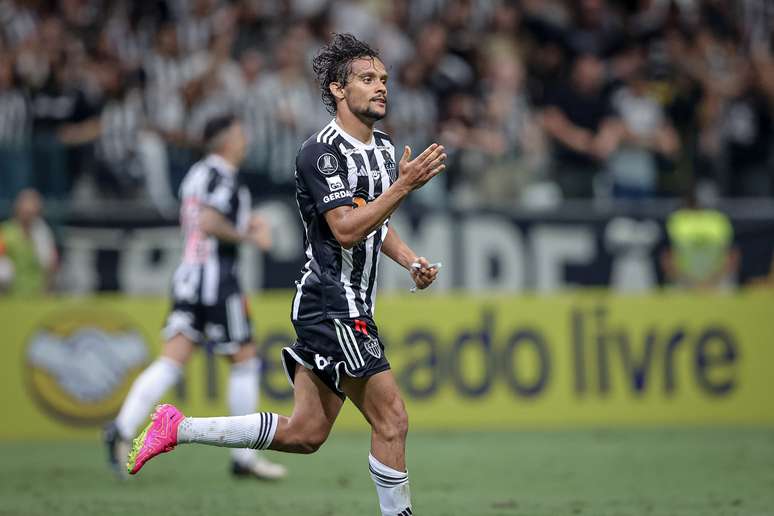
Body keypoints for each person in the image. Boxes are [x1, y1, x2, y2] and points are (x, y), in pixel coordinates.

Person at [126, 33, 446, 516]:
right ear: (339, 89)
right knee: (393, 420)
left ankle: (178, 427)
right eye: (366, 79)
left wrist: (411, 260)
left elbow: (375, 222)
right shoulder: (319, 153)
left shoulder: (383, 150)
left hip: (346, 302)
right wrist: (402, 187)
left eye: (383, 79)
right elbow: (344, 229)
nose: (381, 87)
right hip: (332, 301)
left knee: (306, 434)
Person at [104, 114, 287, 481]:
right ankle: (244, 458)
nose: (244, 140)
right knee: (245, 361)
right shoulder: (222, 176)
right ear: (224, 141)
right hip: (216, 279)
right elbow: (208, 221)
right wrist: (250, 236)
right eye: (239, 133)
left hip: (188, 274)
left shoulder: (197, 174)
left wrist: (245, 224)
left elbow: (201, 219)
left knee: (171, 360)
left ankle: (120, 430)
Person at [0, 189, 58, 296]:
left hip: (37, 293)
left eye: (32, 211)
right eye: (25, 211)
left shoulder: (42, 232)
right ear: (17, 209)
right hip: (9, 294)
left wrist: (48, 289)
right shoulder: (5, 232)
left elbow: (51, 264)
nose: (28, 214)